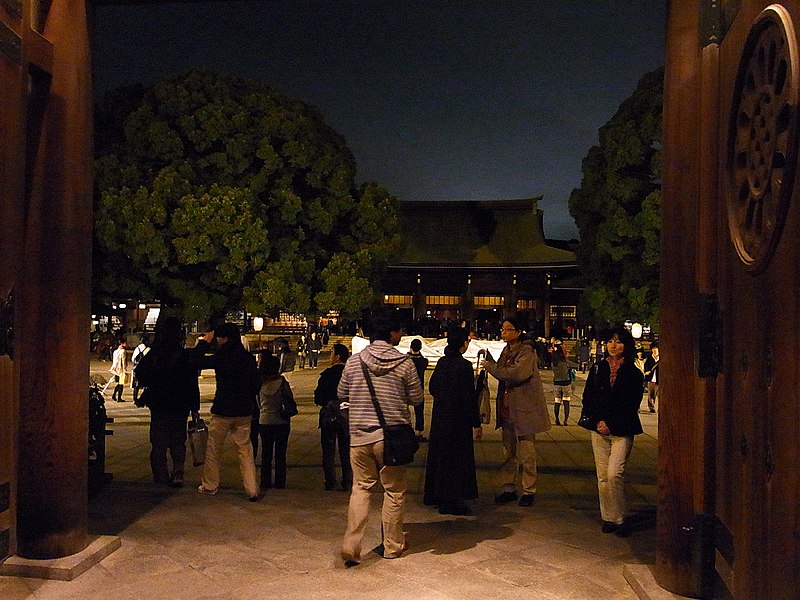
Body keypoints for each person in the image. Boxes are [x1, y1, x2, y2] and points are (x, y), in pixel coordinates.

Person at [338, 309, 424, 566]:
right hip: (392, 439)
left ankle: (351, 545)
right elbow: (417, 398)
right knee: (394, 491)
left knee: (361, 489)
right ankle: (392, 545)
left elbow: (342, 392)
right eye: (399, 330)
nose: (401, 334)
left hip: (360, 436)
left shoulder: (354, 361)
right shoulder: (405, 363)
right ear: (392, 332)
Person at [580, 326, 644, 537]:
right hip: (598, 429)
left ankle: (620, 517)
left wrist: (611, 423)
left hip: (622, 428)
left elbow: (631, 403)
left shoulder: (634, 373)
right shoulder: (598, 368)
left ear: (626, 345)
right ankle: (609, 517)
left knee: (614, 473)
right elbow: (588, 397)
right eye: (610, 341)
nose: (613, 345)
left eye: (618, 341)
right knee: (602, 477)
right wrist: (599, 421)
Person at [483, 317, 551, 507]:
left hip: (524, 410)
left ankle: (529, 490)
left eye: (508, 329)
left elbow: (514, 374)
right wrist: (490, 360)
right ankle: (508, 487)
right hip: (507, 410)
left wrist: (490, 367)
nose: (503, 332)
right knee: (508, 452)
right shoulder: (507, 350)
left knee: (527, 453)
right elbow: (502, 369)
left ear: (518, 332)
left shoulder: (526, 352)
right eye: (502, 329)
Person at [195, 322, 261, 502]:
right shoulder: (247, 358)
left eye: (219, 337)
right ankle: (252, 489)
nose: (217, 339)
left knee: (214, 449)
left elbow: (196, 361)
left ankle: (210, 485)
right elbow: (256, 384)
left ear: (225, 338)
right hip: (243, 410)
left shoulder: (221, 356)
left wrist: (204, 342)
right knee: (245, 450)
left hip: (223, 409)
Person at [134, 317, 200, 487]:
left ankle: (160, 475)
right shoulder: (184, 355)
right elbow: (192, 383)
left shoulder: (154, 354)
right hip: (180, 403)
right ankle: (178, 472)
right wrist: (195, 407)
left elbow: (140, 373)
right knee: (178, 440)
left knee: (158, 442)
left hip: (159, 403)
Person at [423, 326, 482, 515]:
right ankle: (451, 500)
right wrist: (476, 422)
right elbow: (468, 397)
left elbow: (432, 387)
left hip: (441, 416)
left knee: (440, 457)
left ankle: (435, 494)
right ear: (463, 344)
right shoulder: (463, 366)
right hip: (458, 420)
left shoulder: (442, 362)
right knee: (456, 461)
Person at [314, 343, 352, 491]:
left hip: (329, 416)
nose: (330, 357)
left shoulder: (327, 375)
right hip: (347, 415)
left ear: (337, 357)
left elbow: (318, 397)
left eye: (331, 354)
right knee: (346, 449)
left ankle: (330, 480)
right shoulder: (350, 375)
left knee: (328, 450)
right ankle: (347, 480)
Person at [256, 351, 295, 491]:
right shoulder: (282, 382)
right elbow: (289, 399)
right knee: (280, 454)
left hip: (265, 420)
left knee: (266, 453)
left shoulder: (259, 383)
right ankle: (280, 482)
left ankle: (265, 481)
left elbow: (258, 403)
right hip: (281, 421)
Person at [407, 338, 429, 442]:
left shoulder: (406, 360)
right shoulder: (423, 361)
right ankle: (419, 432)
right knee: (419, 411)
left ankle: (406, 430)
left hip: (406, 388)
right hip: (418, 388)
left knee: (405, 410)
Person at [551, 349, 575, 426]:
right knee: (566, 403)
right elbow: (575, 365)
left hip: (557, 384)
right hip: (566, 384)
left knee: (557, 403)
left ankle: (557, 419)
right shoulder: (565, 362)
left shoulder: (553, 363)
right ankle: (565, 420)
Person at [131, 333, 150, 405]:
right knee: (147, 384)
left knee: (137, 385)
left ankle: (135, 399)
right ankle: (145, 399)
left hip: (137, 368)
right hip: (146, 369)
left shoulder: (137, 348)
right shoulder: (148, 349)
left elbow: (133, 359)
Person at [643, 343, 659, 413]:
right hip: (651, 379)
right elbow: (646, 367)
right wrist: (647, 372)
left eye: (656, 349)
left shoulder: (661, 359)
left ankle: (659, 407)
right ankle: (651, 407)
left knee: (659, 395)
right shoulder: (649, 359)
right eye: (653, 349)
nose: (655, 350)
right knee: (651, 394)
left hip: (659, 379)